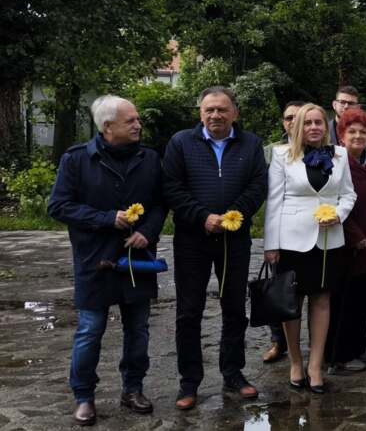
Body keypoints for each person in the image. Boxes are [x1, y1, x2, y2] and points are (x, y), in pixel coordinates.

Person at [49, 95, 166, 425]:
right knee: (90, 330)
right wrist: (104, 218)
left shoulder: (149, 158)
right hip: (94, 259)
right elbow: (58, 206)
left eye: (138, 119)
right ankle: (84, 396)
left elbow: (160, 203)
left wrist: (148, 232)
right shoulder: (77, 159)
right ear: (107, 127)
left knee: (138, 330)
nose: (138, 125)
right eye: (130, 121)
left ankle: (132, 389)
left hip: (137, 259)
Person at [161, 87, 267, 410]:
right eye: (209, 110)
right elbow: (171, 187)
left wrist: (233, 216)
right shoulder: (181, 143)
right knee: (188, 311)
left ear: (235, 112)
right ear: (200, 113)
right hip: (192, 240)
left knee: (234, 308)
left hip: (234, 240)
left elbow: (258, 185)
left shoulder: (251, 144)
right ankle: (189, 382)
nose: (215, 116)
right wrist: (203, 217)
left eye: (222, 110)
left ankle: (233, 372)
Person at [264, 103, 357, 394]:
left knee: (322, 300)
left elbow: (349, 194)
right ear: (297, 126)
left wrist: (339, 214)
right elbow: (274, 200)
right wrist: (271, 244)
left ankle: (315, 365)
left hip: (328, 239)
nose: (314, 127)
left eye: (319, 122)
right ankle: (295, 361)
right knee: (292, 304)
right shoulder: (281, 156)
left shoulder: (339, 155)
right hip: (291, 240)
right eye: (308, 123)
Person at [324, 109, 366, 374]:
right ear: (341, 135)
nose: (358, 136)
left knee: (360, 297)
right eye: (352, 132)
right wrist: (354, 235)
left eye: (364, 132)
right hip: (345, 240)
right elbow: (331, 202)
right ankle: (338, 354)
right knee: (342, 300)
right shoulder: (335, 160)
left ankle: (357, 347)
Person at [262, 101, 304, 364]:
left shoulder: (320, 150)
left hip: (311, 231)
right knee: (279, 289)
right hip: (280, 229)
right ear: (283, 121)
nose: (293, 122)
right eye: (289, 117)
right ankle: (278, 341)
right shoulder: (270, 152)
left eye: (299, 117)